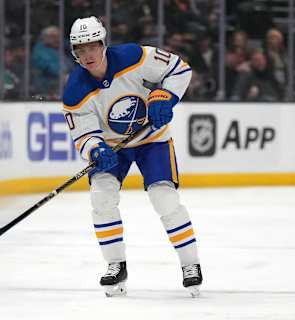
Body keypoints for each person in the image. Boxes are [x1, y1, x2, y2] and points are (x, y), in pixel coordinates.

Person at [62, 16, 202, 297]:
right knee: (101, 198)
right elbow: (83, 134)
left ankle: (191, 265)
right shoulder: (75, 90)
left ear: (103, 44)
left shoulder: (133, 56)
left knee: (164, 198)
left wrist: (165, 95)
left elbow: (180, 69)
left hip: (152, 140)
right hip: (113, 147)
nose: (87, 54)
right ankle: (116, 264)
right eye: (81, 49)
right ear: (74, 52)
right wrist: (95, 148)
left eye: (92, 46)